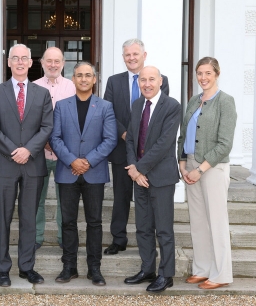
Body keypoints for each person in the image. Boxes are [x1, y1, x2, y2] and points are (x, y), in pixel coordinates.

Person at [0, 44, 53, 287]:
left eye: (24, 58)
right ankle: (2, 269)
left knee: (28, 218)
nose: (20, 62)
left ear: (31, 62)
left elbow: (47, 127)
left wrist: (29, 150)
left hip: (33, 165)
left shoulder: (42, 93)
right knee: (3, 219)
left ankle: (27, 267)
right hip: (4, 165)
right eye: (15, 58)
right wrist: (15, 151)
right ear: (8, 62)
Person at [49, 62, 117, 286]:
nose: (84, 79)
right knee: (68, 222)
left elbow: (110, 139)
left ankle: (94, 268)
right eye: (79, 75)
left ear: (95, 79)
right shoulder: (61, 105)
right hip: (67, 171)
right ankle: (69, 267)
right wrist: (72, 160)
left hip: (94, 172)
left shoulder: (105, 106)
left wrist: (87, 161)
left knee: (94, 222)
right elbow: (55, 138)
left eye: (88, 75)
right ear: (73, 79)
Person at [103, 38, 170, 255]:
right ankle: (118, 239)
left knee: (148, 199)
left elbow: (161, 114)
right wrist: (126, 134)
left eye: (135, 54)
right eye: (127, 55)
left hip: (150, 154)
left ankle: (149, 242)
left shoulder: (160, 80)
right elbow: (109, 112)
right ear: (123, 58)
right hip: (122, 149)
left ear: (144, 55)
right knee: (120, 196)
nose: (131, 58)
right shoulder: (114, 81)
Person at [177, 57, 236, 290]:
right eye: (199, 73)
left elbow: (225, 144)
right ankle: (202, 269)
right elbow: (183, 135)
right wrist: (182, 163)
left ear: (217, 74)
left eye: (208, 73)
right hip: (190, 165)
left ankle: (221, 274)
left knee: (217, 221)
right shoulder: (194, 100)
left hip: (212, 167)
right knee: (198, 222)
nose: (203, 77)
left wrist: (200, 169)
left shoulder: (226, 102)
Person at [124, 66, 181, 293]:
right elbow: (130, 141)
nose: (146, 84)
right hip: (139, 178)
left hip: (161, 177)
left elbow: (164, 144)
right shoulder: (137, 105)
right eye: (143, 80)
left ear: (160, 81)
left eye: (151, 79)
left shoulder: (172, 106)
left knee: (164, 229)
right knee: (143, 227)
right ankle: (147, 269)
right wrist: (134, 171)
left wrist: (139, 169)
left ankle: (166, 275)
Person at [33, 47, 76, 250]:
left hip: (64, 155)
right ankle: (35, 238)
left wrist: (59, 144)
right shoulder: (32, 87)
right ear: (42, 63)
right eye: (49, 61)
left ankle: (63, 238)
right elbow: (28, 122)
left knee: (65, 201)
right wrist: (44, 141)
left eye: (57, 61)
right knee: (35, 201)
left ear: (63, 63)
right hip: (38, 154)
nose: (52, 65)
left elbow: (76, 121)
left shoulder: (72, 87)